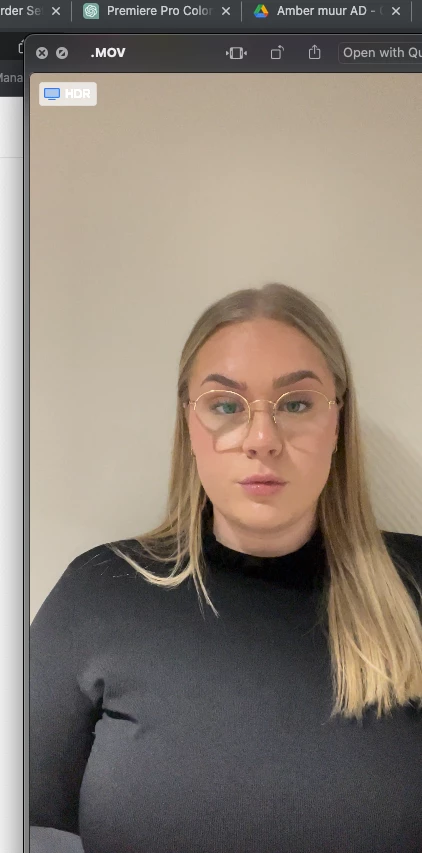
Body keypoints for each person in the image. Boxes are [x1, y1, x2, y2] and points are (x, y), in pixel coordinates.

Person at [30, 283, 422, 853]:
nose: (262, 439)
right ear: (189, 425)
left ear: (338, 421)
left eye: (296, 404)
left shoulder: (414, 588)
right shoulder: (99, 593)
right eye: (225, 405)